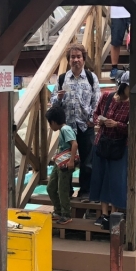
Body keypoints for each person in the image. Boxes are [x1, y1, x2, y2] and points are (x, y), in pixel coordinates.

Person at [51, 42, 100, 195]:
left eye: (78, 56)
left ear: (83, 59)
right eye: (73, 57)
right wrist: (58, 99)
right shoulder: (62, 79)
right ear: (69, 59)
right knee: (66, 160)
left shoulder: (91, 78)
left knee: (87, 162)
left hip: (86, 126)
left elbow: (97, 101)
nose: (76, 60)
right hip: (67, 127)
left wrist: (92, 119)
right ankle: (67, 191)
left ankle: (85, 191)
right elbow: (53, 104)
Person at [90, 69, 132, 230]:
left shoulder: (133, 103)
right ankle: (104, 214)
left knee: (116, 180)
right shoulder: (106, 96)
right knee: (100, 177)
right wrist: (100, 121)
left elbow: (134, 127)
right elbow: (96, 114)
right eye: (129, 87)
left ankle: (114, 214)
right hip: (102, 141)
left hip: (120, 145)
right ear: (122, 86)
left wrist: (117, 125)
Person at [45, 105, 78, 224]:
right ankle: (58, 211)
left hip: (66, 164)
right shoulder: (62, 130)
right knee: (50, 187)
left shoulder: (65, 129)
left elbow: (74, 144)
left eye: (49, 123)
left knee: (62, 189)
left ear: (53, 122)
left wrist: (71, 161)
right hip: (59, 163)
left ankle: (66, 214)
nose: (50, 126)